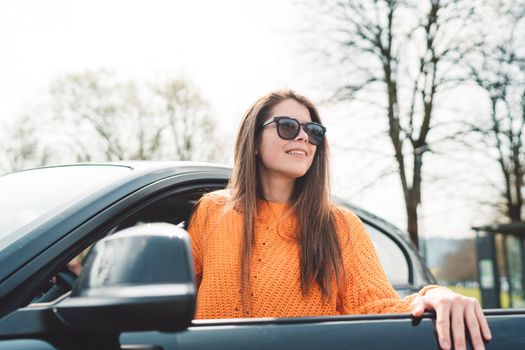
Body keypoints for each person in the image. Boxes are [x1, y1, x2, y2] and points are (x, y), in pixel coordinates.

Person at [187, 89, 491, 350]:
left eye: (314, 131)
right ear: (253, 141)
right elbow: (167, 300)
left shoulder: (340, 226)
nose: (304, 136)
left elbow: (377, 308)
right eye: (288, 126)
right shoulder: (212, 212)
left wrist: (434, 295)